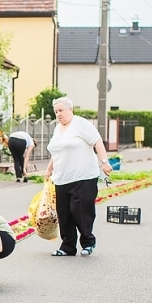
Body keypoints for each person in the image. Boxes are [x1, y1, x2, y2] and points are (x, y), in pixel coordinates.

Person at [43, 96, 109, 257]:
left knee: (81, 211)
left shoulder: (80, 124)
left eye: (61, 110)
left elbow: (97, 141)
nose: (58, 114)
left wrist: (104, 162)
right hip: (62, 178)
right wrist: (49, 169)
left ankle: (88, 242)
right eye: (56, 111)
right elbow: (57, 152)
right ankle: (68, 247)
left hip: (83, 177)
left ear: (70, 110)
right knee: (64, 214)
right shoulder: (58, 129)